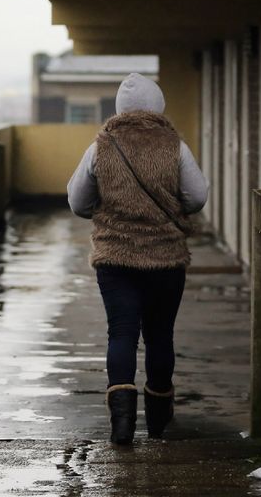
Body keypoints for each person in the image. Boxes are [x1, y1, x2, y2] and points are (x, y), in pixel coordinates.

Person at [67, 72, 209, 445]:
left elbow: (78, 201)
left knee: (122, 333)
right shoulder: (174, 145)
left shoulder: (101, 145)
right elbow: (197, 196)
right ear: (158, 105)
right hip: (166, 260)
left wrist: (108, 209)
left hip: (116, 259)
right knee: (160, 335)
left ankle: (122, 424)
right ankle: (159, 418)